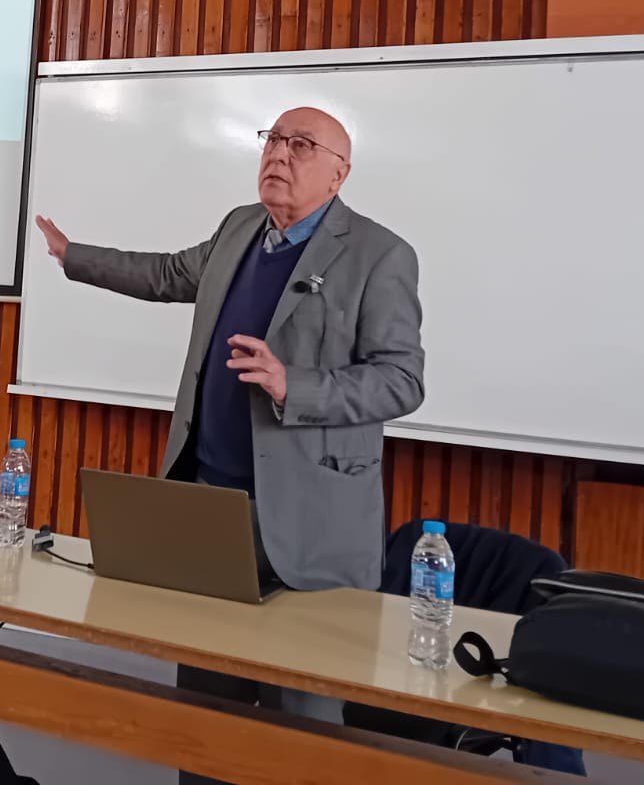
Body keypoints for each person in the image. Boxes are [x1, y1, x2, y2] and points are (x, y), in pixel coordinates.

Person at [35, 106, 425, 778]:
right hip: (212, 511)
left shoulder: (379, 254)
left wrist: (292, 384)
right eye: (273, 139)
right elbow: (166, 274)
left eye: (301, 145)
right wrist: (75, 256)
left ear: (339, 174)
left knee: (299, 731)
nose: (279, 153)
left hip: (310, 527)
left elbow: (402, 381)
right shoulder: (240, 228)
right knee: (206, 720)